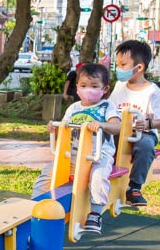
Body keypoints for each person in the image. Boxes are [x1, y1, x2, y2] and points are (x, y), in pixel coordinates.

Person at [32, 62, 121, 235]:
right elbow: (65, 127)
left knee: (98, 176)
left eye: (94, 86)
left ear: (105, 89)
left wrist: (102, 125)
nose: (88, 89)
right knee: (48, 173)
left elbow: (117, 127)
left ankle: (95, 213)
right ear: (77, 87)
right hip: (74, 153)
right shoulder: (74, 108)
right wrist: (54, 128)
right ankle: (35, 204)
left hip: (98, 154)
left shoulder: (106, 107)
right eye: (83, 85)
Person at [108, 39, 160, 207]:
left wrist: (147, 124)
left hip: (141, 133)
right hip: (119, 130)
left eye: (123, 65)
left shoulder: (152, 91)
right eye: (117, 64)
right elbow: (109, 107)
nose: (119, 69)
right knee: (99, 136)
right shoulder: (119, 86)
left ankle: (134, 188)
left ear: (139, 68)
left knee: (146, 146)